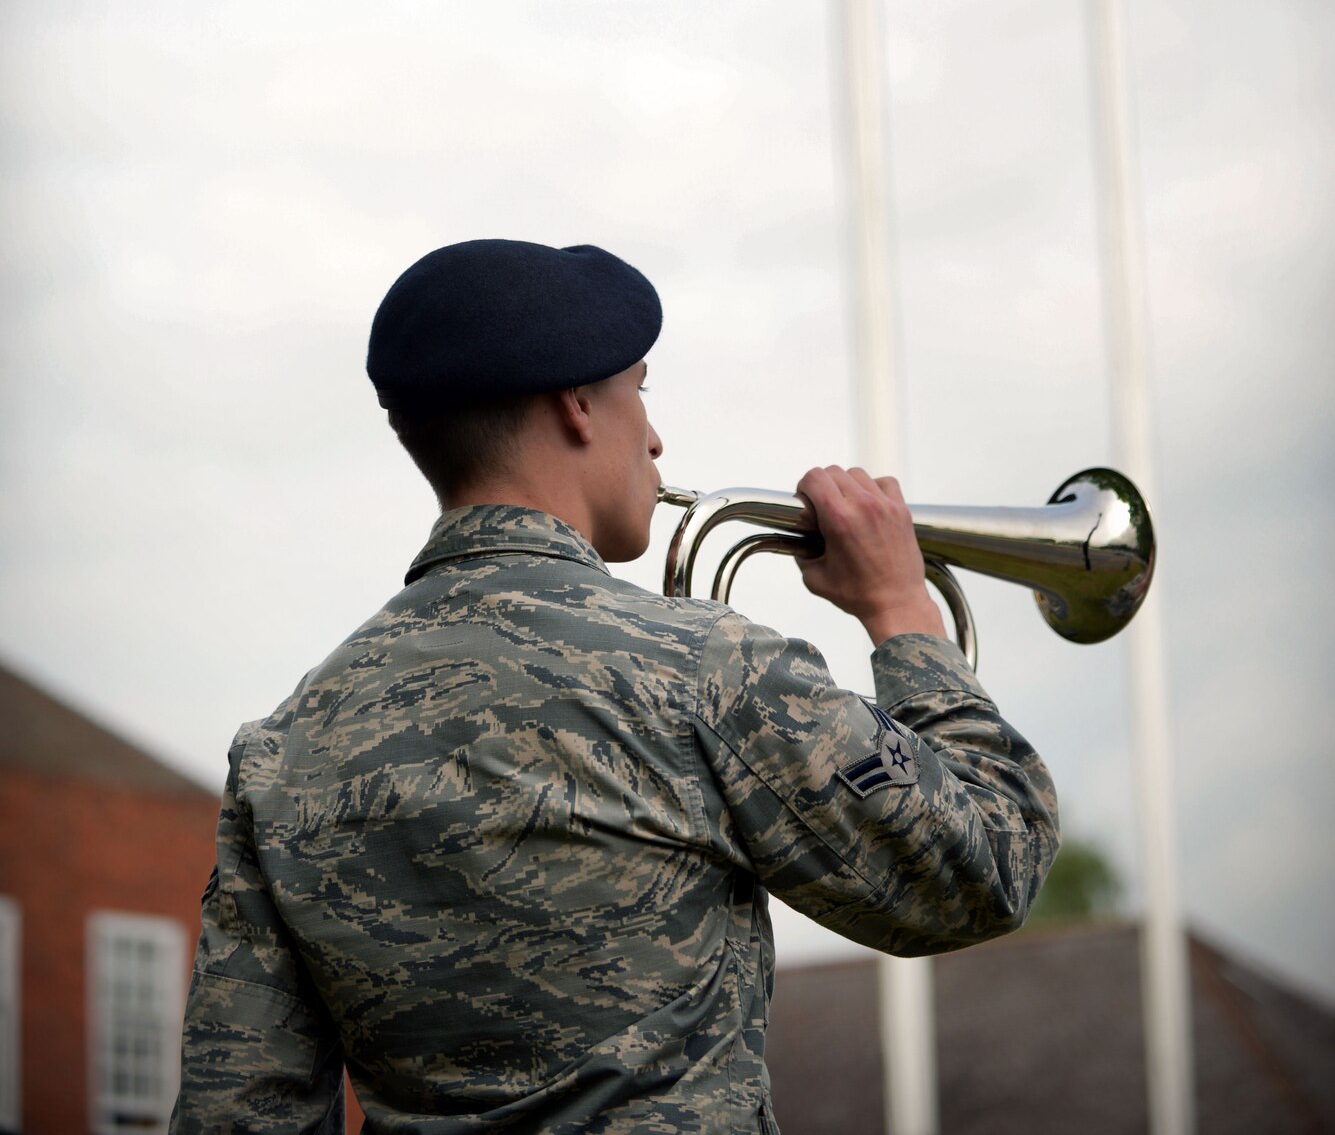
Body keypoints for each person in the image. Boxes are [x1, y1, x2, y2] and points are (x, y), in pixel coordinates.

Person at [171, 238, 1058, 1134]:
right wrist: (903, 609)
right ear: (578, 405)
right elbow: (985, 864)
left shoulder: (282, 750)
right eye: (642, 388)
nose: (657, 435)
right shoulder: (706, 665)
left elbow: (238, 1113)